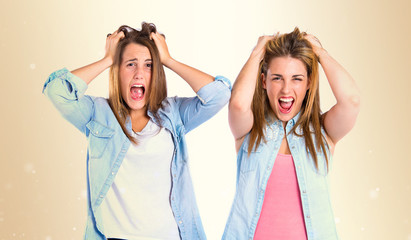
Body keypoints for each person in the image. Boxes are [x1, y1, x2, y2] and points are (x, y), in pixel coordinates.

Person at [43, 22, 231, 240]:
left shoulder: (174, 113)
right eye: (130, 64)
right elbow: (56, 91)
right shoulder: (98, 113)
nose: (140, 73)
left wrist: (169, 60)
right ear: (118, 70)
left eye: (149, 65)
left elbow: (219, 95)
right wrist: (107, 60)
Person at [223, 28, 360, 240]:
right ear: (263, 81)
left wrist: (320, 52)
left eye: (297, 78)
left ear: (309, 83)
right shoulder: (250, 131)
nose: (286, 90)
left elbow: (351, 101)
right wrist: (257, 53)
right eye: (277, 78)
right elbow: (239, 104)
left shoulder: (323, 133)